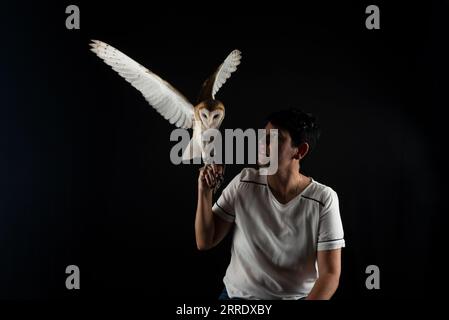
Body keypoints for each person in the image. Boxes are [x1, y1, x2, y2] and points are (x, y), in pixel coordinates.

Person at [195, 108, 345, 300]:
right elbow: (205, 241)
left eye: (274, 139)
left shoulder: (323, 200)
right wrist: (205, 191)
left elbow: (330, 274)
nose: (261, 143)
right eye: (263, 137)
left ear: (300, 151)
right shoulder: (244, 183)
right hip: (238, 299)